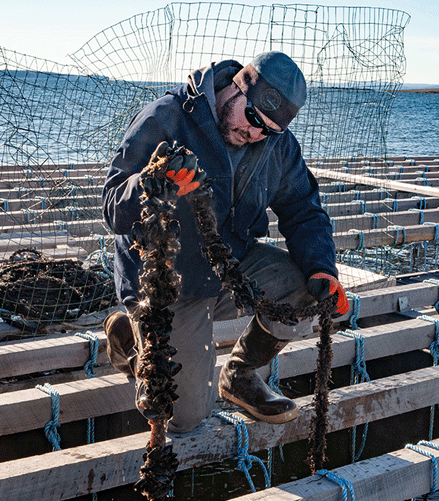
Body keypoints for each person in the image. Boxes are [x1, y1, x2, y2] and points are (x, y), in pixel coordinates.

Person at [101, 51, 349, 433]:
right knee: (183, 418)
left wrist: (323, 268)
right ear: (235, 88)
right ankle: (132, 342)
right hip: (166, 283)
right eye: (252, 118)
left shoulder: (276, 147)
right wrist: (154, 185)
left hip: (228, 270)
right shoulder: (167, 117)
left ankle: (241, 375)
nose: (255, 133)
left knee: (309, 294)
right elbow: (112, 206)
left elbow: (304, 209)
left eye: (269, 129)